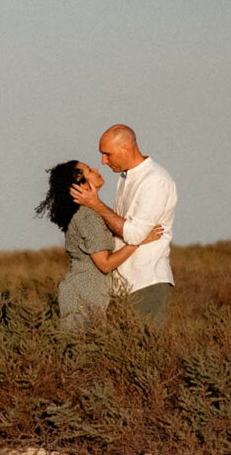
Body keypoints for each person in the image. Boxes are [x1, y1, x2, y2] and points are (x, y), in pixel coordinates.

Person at [70, 124, 177, 329]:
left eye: (107, 154)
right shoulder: (126, 178)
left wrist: (96, 205)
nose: (103, 161)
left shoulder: (155, 180)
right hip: (122, 285)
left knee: (142, 353)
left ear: (126, 149)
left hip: (145, 280)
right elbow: (120, 227)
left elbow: (135, 234)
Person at [36, 159, 163, 331]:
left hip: (86, 292)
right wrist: (138, 241)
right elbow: (105, 264)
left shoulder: (89, 214)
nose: (96, 169)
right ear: (79, 185)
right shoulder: (88, 217)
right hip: (85, 293)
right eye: (88, 170)